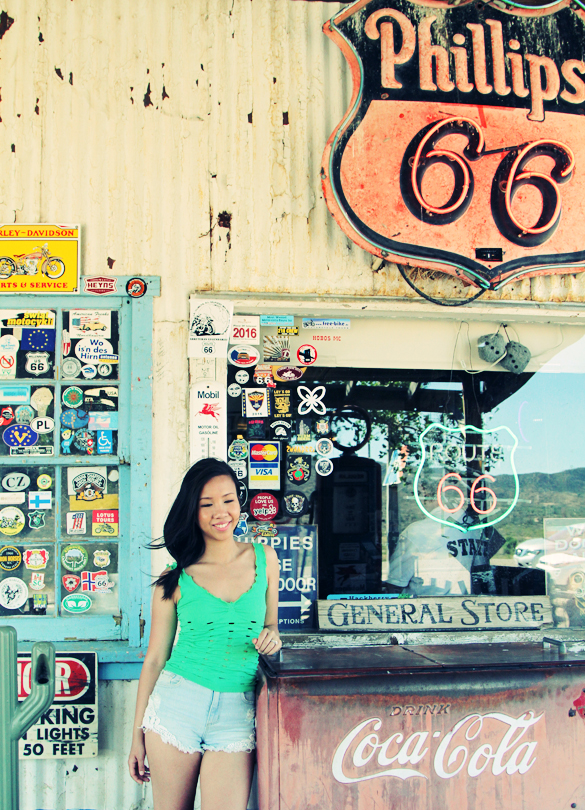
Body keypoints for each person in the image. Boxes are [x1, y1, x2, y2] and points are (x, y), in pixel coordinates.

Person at [128, 458, 282, 810]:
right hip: (176, 706)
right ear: (192, 511)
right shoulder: (175, 577)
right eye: (206, 504)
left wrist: (273, 637)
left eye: (228, 500)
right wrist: (136, 736)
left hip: (236, 713)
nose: (220, 512)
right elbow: (154, 659)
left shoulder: (265, 558)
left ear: (239, 503)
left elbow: (271, 625)